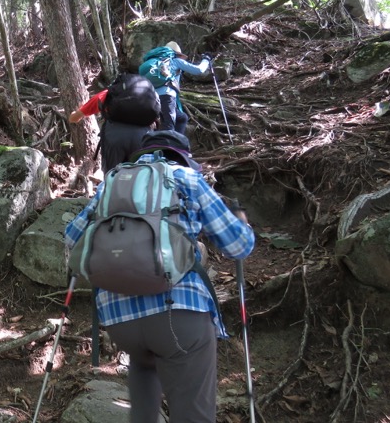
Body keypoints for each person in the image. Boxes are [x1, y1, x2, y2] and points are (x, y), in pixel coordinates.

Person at [65, 131, 255, 423]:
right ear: (182, 156)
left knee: (144, 383)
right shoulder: (187, 178)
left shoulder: (113, 183)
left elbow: (72, 238)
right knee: (193, 415)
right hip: (178, 313)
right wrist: (241, 220)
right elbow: (238, 245)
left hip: (119, 320)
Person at [139, 41, 212, 135]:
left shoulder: (153, 62)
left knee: (182, 118)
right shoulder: (176, 61)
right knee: (168, 126)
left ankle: (176, 144)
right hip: (166, 96)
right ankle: (167, 148)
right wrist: (206, 59)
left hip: (150, 98)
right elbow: (199, 70)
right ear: (176, 53)